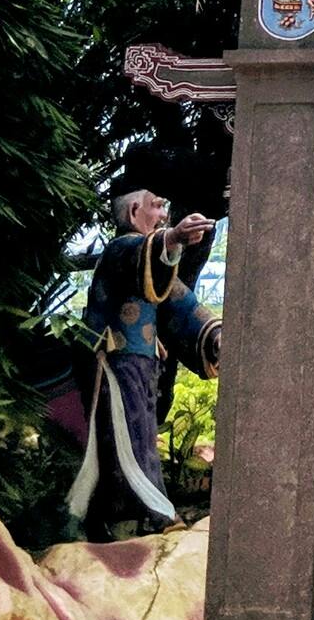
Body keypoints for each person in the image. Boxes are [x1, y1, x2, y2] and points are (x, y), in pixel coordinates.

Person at [66, 192, 221, 536]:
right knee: (128, 442)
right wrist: (174, 237)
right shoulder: (121, 249)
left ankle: (125, 518)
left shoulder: (151, 265)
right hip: (114, 365)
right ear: (135, 211)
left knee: (140, 439)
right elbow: (142, 252)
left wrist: (215, 337)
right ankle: (147, 515)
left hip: (140, 367)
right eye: (157, 206)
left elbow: (181, 304)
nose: (164, 214)